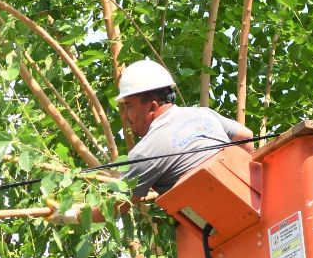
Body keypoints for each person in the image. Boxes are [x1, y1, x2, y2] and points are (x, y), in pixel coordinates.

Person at [48, 60, 254, 224]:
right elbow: (245, 136)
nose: (126, 115)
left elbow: (114, 206)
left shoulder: (146, 152)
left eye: (128, 106)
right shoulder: (203, 113)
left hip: (220, 224)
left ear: (152, 106)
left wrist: (68, 214)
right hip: (253, 201)